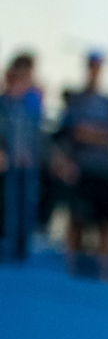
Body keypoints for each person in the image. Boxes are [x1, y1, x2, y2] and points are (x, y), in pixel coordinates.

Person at [56, 51, 108, 268]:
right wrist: (98, 133)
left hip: (104, 171)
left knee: (105, 224)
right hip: (82, 170)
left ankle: (104, 274)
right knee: (77, 220)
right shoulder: (75, 100)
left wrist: (90, 133)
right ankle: (72, 268)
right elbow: (74, 132)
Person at [0, 52, 43, 261]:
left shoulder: (32, 101)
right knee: (10, 204)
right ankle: (8, 245)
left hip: (28, 162)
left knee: (26, 204)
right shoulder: (4, 103)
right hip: (10, 162)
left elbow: (36, 131)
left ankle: (22, 248)